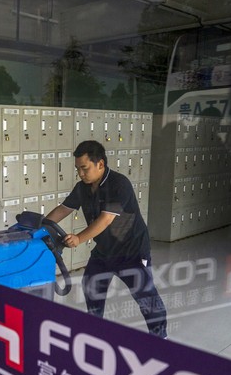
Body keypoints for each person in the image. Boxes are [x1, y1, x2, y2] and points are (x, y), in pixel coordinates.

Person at [45, 140, 168, 338]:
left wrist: (78, 238)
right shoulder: (82, 187)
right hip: (105, 249)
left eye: (84, 168)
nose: (81, 173)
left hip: (131, 250)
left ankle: (160, 338)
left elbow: (105, 220)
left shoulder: (119, 184)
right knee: (91, 285)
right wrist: (41, 226)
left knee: (145, 296)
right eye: (78, 169)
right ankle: (95, 329)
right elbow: (63, 209)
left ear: (100, 164)